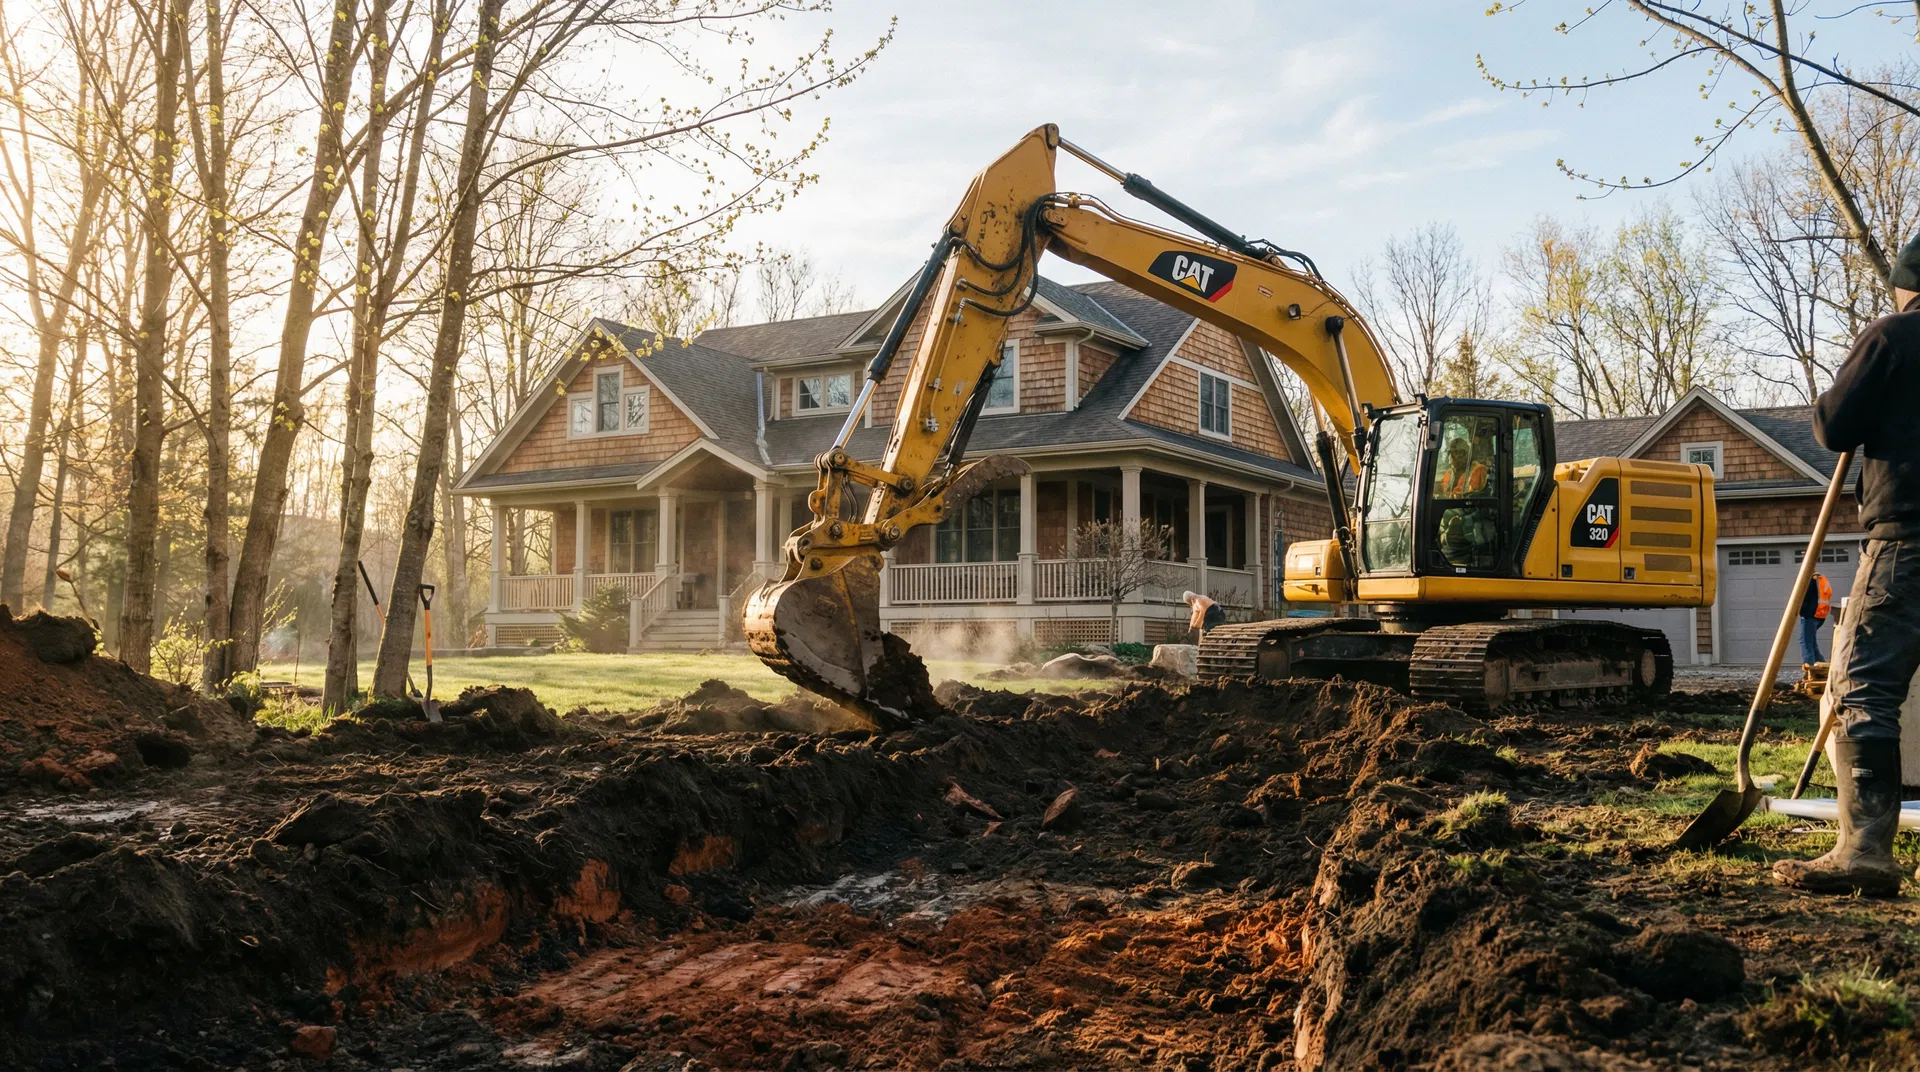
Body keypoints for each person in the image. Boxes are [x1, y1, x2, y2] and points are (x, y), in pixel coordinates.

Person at [1774, 236, 1920, 897]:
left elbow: (1834, 425)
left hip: (1907, 543)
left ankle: (1864, 849)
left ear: (1905, 284)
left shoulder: (1893, 338)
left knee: (1862, 688)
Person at [1798, 571, 1833, 666]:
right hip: (1819, 615)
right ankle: (1821, 665)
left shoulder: (1810, 580)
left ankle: (1809, 666)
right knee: (1812, 643)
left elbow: (1804, 597)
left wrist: (1801, 611)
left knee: (1805, 642)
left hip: (1810, 615)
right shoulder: (1820, 579)